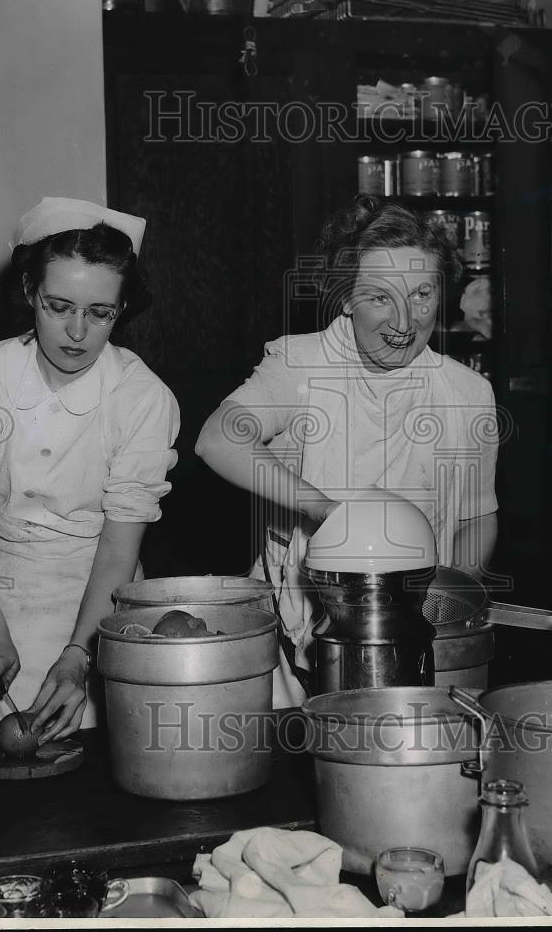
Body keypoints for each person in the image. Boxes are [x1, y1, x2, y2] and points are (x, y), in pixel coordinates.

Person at [196, 196, 498, 707]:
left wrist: (445, 598)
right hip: (292, 643)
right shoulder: (300, 363)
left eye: (422, 293)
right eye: (380, 297)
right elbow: (218, 439)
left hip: (413, 634)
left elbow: (477, 517)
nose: (404, 320)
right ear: (345, 299)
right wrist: (329, 513)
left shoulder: (467, 392)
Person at [0, 197, 180, 741]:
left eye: (99, 313)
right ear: (28, 293)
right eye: (58, 306)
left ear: (122, 310)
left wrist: (78, 656)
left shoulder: (142, 398)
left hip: (99, 615)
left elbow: (118, 550)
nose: (75, 332)